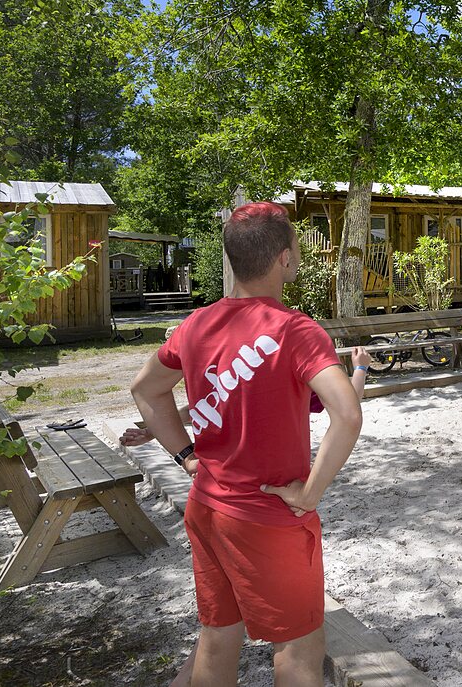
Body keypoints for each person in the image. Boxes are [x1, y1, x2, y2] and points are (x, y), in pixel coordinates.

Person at [129, 201, 363, 687]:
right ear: (284, 258)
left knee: (218, 637)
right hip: (267, 517)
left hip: (208, 508)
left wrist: (187, 457)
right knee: (299, 649)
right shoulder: (295, 329)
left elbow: (146, 389)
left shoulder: (195, 324)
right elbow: (347, 413)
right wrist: (311, 492)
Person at [120, 348, 373, 447]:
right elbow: (350, 403)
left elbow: (207, 407)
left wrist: (155, 431)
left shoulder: (245, 371)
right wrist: (360, 367)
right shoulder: (297, 377)